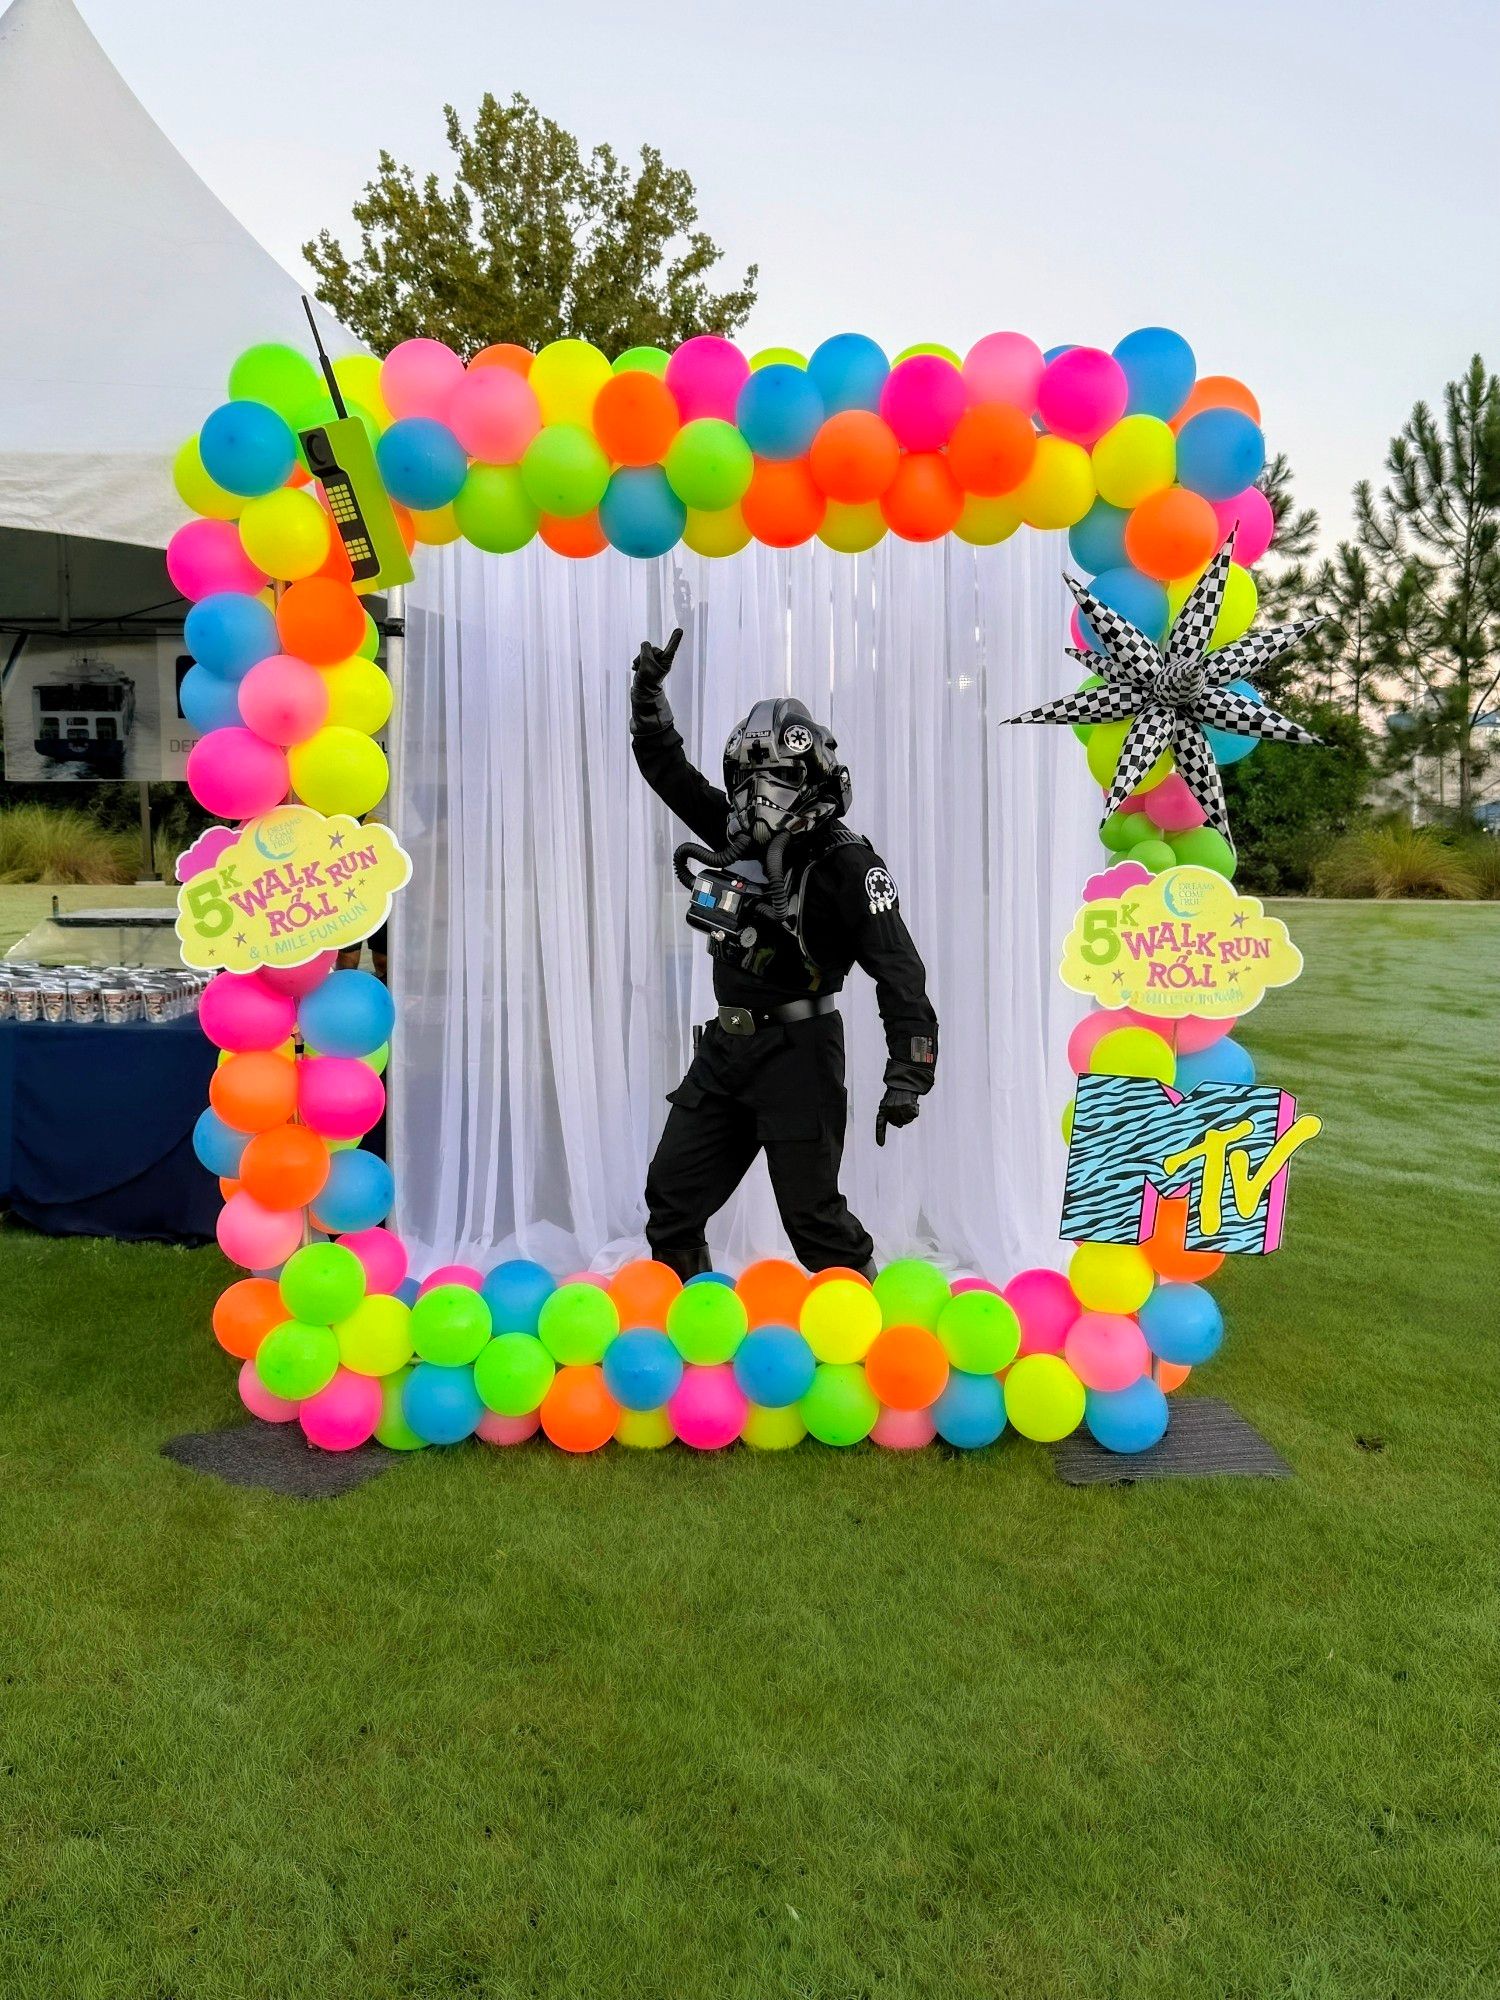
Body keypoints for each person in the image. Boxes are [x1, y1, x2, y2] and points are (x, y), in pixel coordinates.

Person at [631, 626, 938, 1280]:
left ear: (808, 776)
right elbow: (668, 770)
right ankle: (692, 1340)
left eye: (768, 780)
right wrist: (647, 696)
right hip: (725, 1049)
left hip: (798, 1055)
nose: (752, 798)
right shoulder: (732, 833)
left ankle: (871, 1347)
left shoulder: (848, 864)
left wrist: (908, 1069)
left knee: (814, 1219)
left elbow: (898, 970)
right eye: (744, 781)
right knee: (672, 1199)